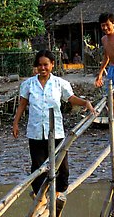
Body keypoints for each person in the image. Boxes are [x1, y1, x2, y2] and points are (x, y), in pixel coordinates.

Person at [13, 49, 97, 198]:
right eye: (39, 65)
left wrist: (86, 103)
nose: (42, 68)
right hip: (36, 131)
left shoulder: (60, 83)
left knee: (62, 167)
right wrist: (15, 123)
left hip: (56, 131)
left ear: (52, 64)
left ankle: (58, 192)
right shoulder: (28, 84)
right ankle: (40, 196)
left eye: (46, 65)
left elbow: (71, 98)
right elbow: (22, 104)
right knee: (38, 166)